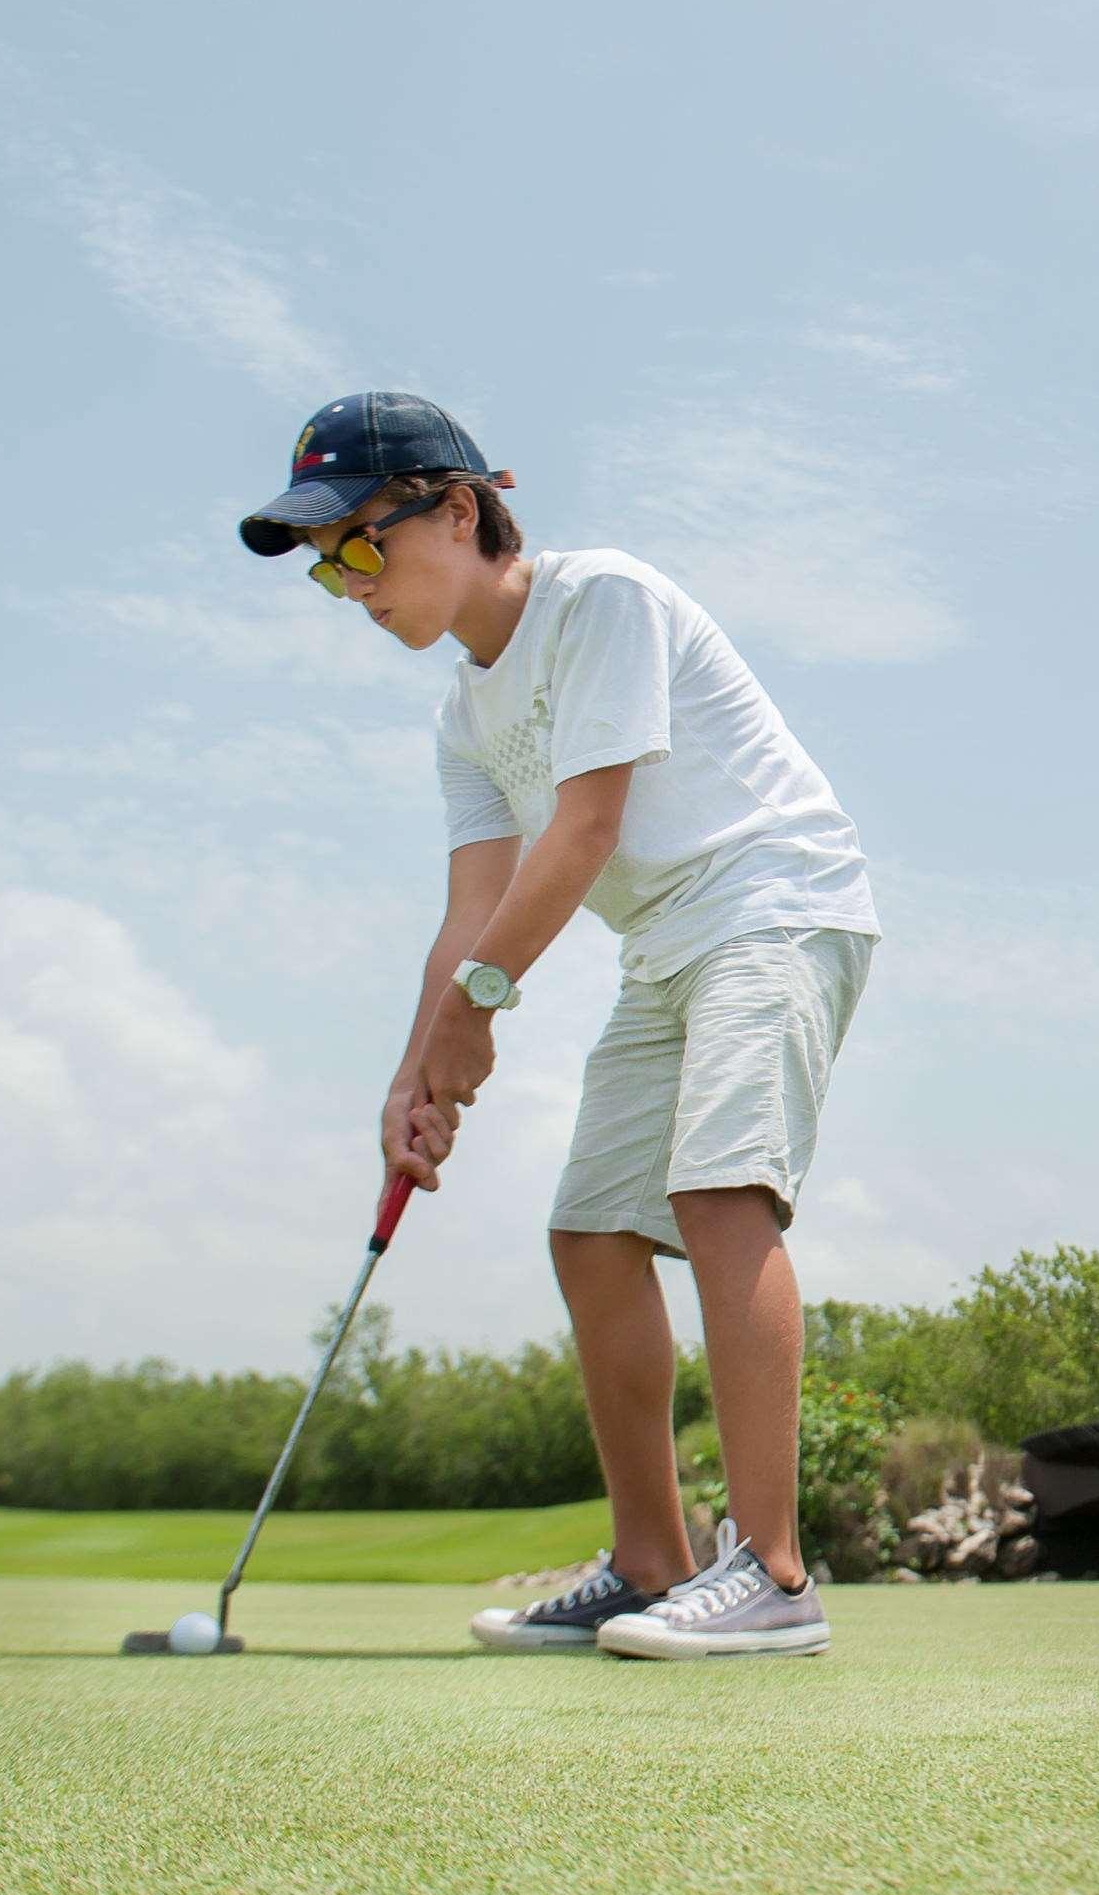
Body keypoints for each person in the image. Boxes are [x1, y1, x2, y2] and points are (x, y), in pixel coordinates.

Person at [239, 392, 878, 1660]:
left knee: (718, 1189)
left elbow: (583, 833)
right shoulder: (462, 721)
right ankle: (652, 1564)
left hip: (774, 902)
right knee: (591, 1232)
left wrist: (479, 1014)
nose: (351, 585)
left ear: (460, 508)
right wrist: (414, 1073)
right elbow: (471, 910)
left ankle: (777, 1575)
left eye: (363, 544)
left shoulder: (605, 600)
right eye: (328, 570)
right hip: (665, 952)